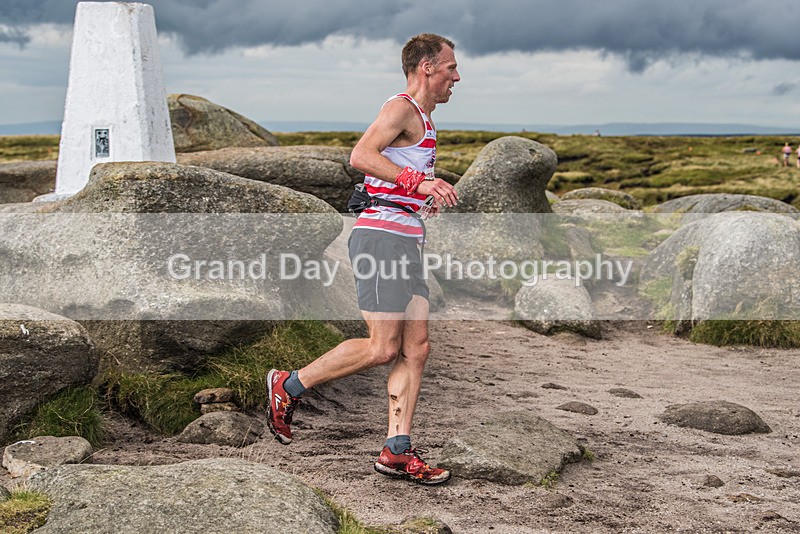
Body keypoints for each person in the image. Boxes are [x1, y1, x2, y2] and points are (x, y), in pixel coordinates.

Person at [266, 33, 461, 485]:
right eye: (450, 67)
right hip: (381, 239)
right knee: (383, 347)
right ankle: (288, 385)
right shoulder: (401, 108)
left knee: (417, 348)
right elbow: (361, 155)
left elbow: (391, 177)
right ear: (427, 68)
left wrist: (418, 200)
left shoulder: (426, 121)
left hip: (404, 239)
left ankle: (397, 450)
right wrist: (419, 183)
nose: (457, 75)